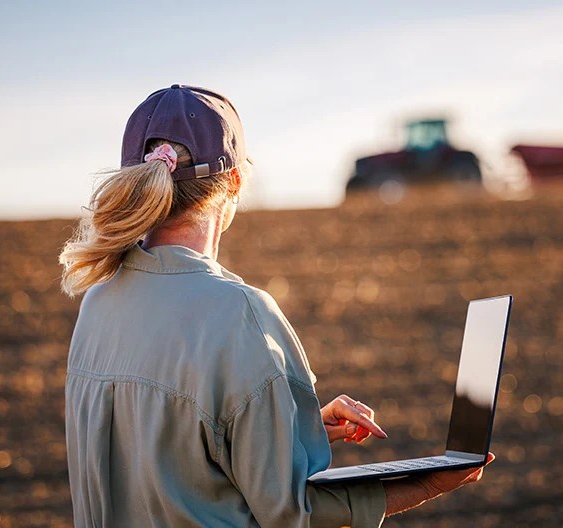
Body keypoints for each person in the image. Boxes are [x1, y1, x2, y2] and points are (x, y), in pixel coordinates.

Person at [59, 84, 493, 527]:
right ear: (234, 182)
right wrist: (425, 484)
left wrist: (281, 428)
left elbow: (161, 455)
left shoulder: (98, 303)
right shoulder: (239, 314)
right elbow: (293, 515)